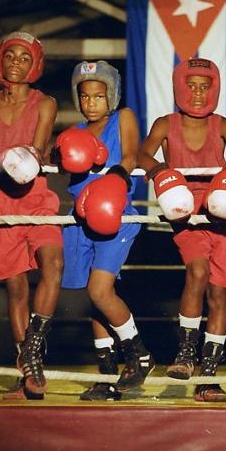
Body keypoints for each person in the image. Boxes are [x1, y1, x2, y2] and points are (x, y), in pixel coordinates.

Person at [137, 57, 226, 403]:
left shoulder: (222, 124)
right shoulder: (165, 124)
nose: (198, 93)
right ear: (179, 88)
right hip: (186, 208)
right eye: (191, 86)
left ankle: (209, 377)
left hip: (223, 207)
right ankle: (186, 352)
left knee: (220, 294)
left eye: (205, 87)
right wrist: (160, 171)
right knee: (198, 271)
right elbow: (143, 154)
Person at [0, 32, 64, 400]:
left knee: (53, 265)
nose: (16, 62)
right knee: (16, 288)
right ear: (0, 60)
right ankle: (28, 373)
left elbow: (38, 148)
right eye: (10, 55)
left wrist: (19, 157)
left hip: (37, 198)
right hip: (1, 203)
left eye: (24, 57)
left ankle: (32, 350)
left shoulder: (45, 103)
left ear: (35, 65)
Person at [56, 60, 153, 400]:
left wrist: (114, 179)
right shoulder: (76, 131)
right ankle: (107, 376)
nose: (92, 102)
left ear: (111, 95)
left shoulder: (122, 117)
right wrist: (59, 153)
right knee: (92, 296)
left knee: (100, 291)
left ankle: (140, 355)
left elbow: (131, 155)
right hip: (79, 219)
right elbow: (59, 164)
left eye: (99, 95)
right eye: (85, 96)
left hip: (115, 213)